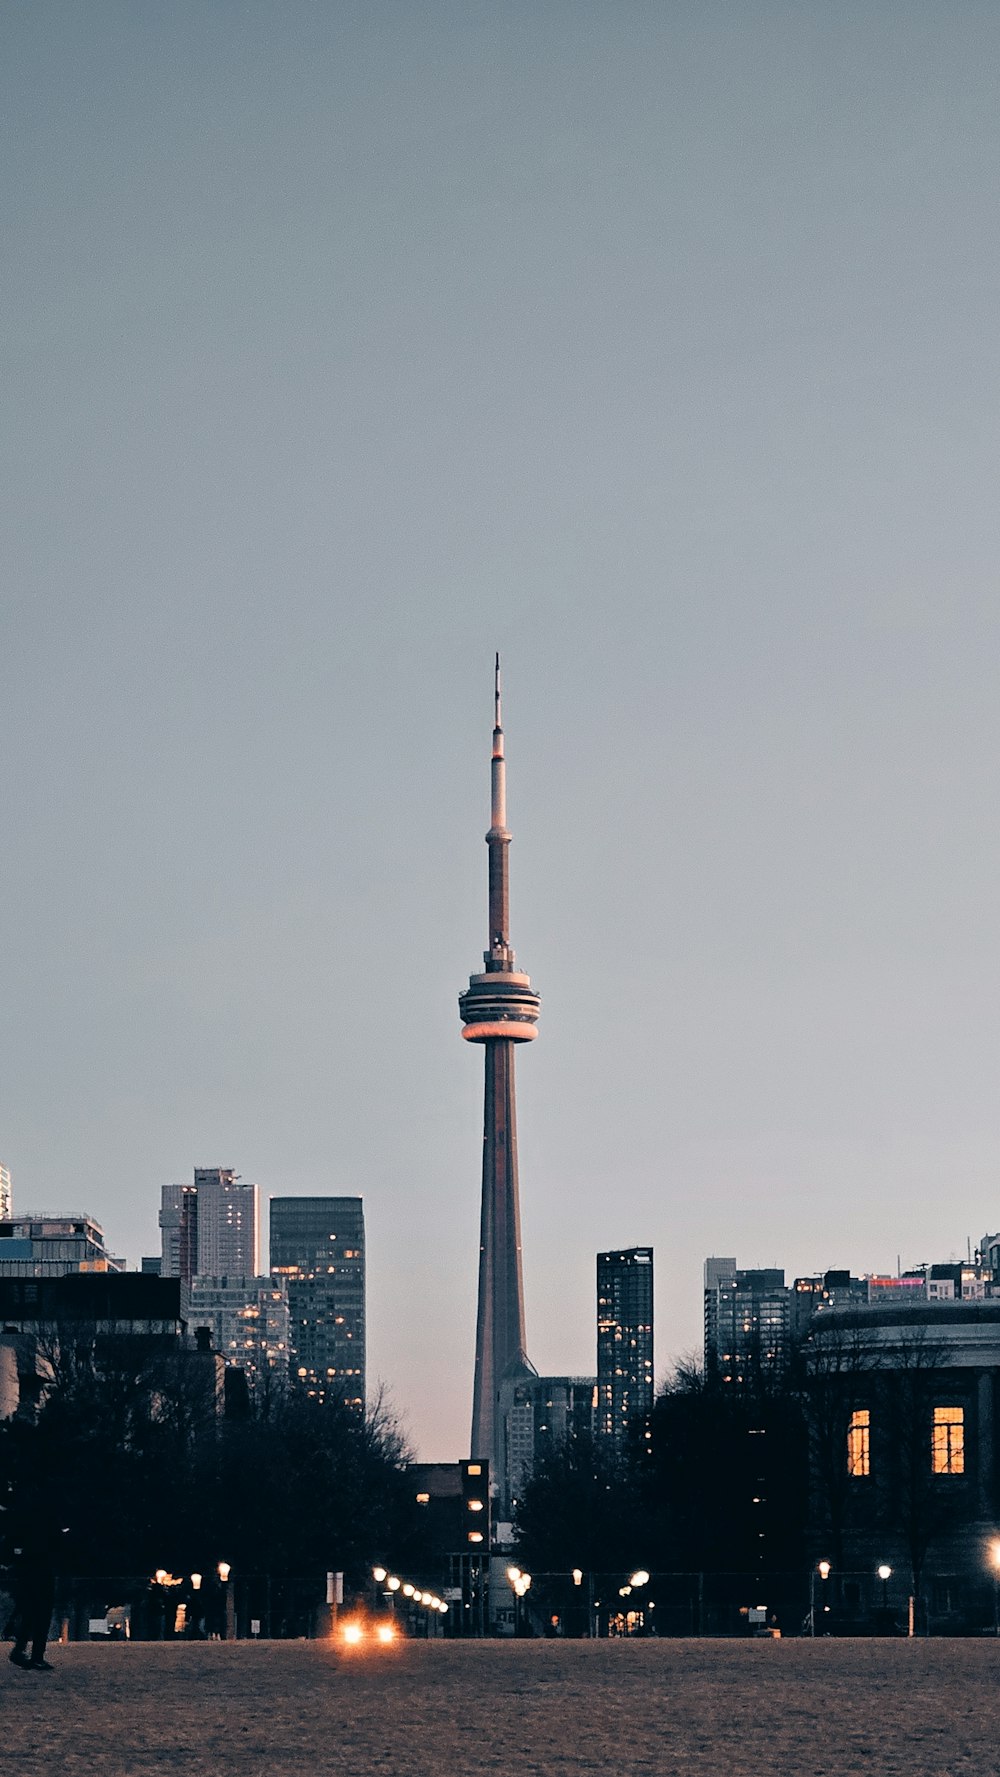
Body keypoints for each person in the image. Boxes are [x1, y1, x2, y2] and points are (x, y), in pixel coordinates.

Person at [7, 1526, 60, 1672]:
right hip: (41, 1574)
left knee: (29, 1617)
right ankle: (36, 1656)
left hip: (29, 1575)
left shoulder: (26, 1528)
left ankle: (21, 1650)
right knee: (41, 1618)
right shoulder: (47, 1531)